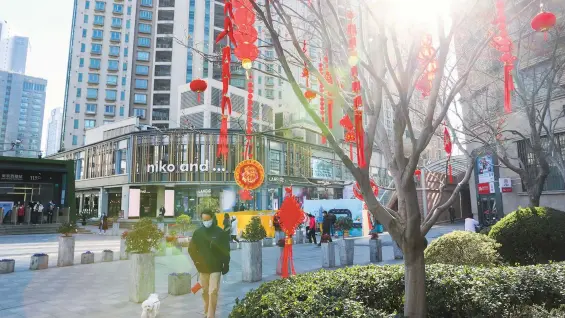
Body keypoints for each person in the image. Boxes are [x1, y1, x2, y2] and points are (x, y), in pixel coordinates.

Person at [188, 209, 230, 318]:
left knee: (213, 291)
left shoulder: (220, 232)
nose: (206, 221)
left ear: (212, 218)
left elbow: (226, 249)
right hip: (202, 268)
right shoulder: (198, 233)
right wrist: (197, 262)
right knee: (205, 292)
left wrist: (226, 264)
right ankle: (206, 312)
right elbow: (191, 249)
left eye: (208, 219)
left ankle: (211, 316)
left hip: (216, 267)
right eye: (204, 220)